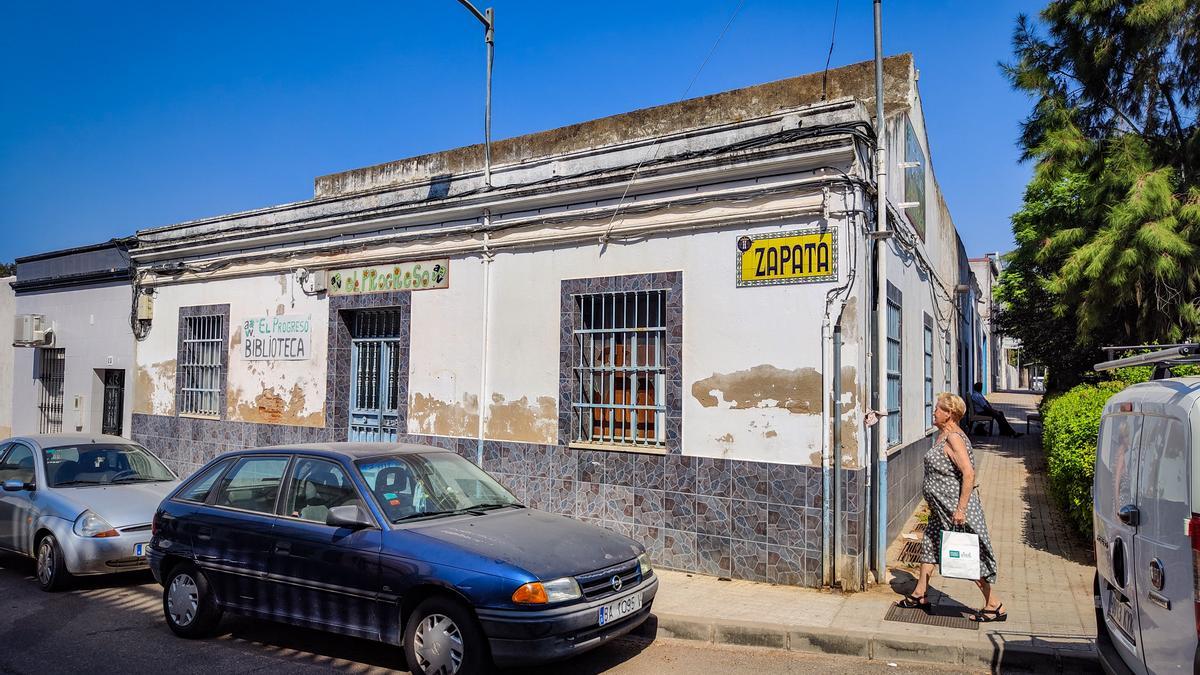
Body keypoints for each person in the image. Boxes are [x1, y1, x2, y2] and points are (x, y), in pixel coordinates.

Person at [898, 392, 1006, 622]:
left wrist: (961, 509)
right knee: (929, 544)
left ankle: (994, 604)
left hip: (954, 508)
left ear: (949, 414)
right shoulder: (943, 435)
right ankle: (920, 593)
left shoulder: (954, 438)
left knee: (969, 556)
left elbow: (969, 473)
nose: (934, 412)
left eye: (938, 409)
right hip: (941, 507)